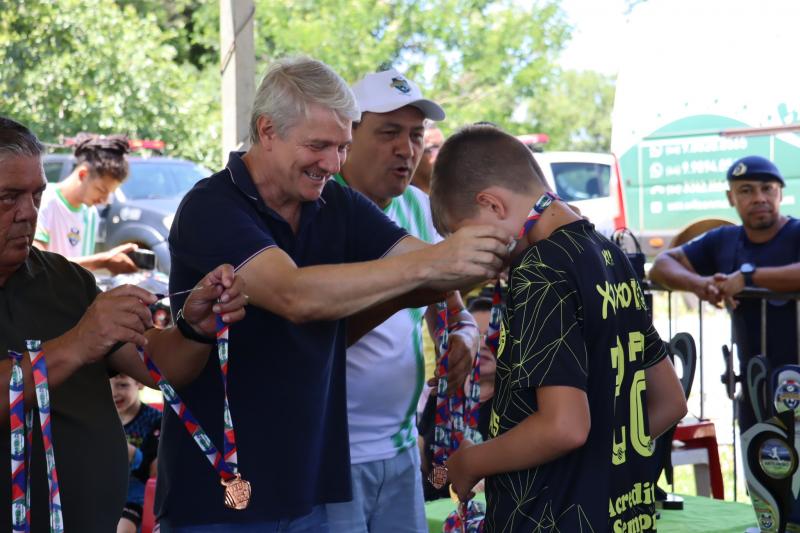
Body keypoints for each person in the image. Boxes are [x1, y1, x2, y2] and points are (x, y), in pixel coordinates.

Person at [163, 56, 508, 531]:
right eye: (318, 145)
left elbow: (424, 272)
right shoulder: (210, 206)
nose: (332, 163)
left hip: (309, 487)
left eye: (342, 146)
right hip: (219, 494)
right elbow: (294, 296)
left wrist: (511, 238)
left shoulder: (335, 201)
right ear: (266, 131)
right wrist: (440, 260)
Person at [428, 125, 687, 532]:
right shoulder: (610, 255)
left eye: (466, 235)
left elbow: (563, 427)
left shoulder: (539, 271)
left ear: (492, 205)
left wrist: (471, 461)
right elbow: (671, 400)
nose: (473, 260)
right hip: (624, 515)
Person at [0, 116, 248, 533]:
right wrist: (79, 343)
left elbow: (161, 368)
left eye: (37, 194)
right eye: (8, 198)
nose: (29, 213)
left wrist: (196, 328)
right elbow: (82, 345)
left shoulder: (65, 280)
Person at [323, 68, 479, 532]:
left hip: (402, 448)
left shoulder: (416, 205)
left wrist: (465, 333)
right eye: (388, 132)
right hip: (332, 457)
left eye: (415, 136)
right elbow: (315, 334)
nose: (405, 149)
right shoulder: (319, 209)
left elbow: (449, 305)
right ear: (348, 135)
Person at [649, 155, 800, 431]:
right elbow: (660, 266)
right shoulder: (724, 240)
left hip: (795, 381)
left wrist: (748, 278)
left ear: (780, 193)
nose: (758, 198)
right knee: (760, 469)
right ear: (731, 197)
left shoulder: (796, 233)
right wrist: (700, 284)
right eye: (746, 190)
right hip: (755, 388)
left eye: (767, 188)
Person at [418, 295, 498, 502]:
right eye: (476, 336)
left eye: (492, 336)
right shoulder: (443, 395)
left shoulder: (515, 404)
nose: (484, 343)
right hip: (436, 512)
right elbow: (427, 466)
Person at [33, 133, 139, 274]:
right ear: (83, 174)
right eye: (101, 190)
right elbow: (39, 262)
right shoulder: (45, 201)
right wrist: (103, 260)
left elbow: (82, 271)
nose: (105, 200)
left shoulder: (90, 214)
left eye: (110, 194)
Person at [111, 374, 162, 533]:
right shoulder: (100, 419)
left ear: (139, 383)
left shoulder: (155, 419)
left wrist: (132, 454)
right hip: (101, 490)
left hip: (134, 495)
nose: (114, 393)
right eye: (107, 386)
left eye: (122, 385)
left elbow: (155, 471)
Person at [411, 124, 444, 195]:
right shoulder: (399, 201)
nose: (443, 153)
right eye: (433, 148)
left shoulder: (454, 196)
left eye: (443, 146)